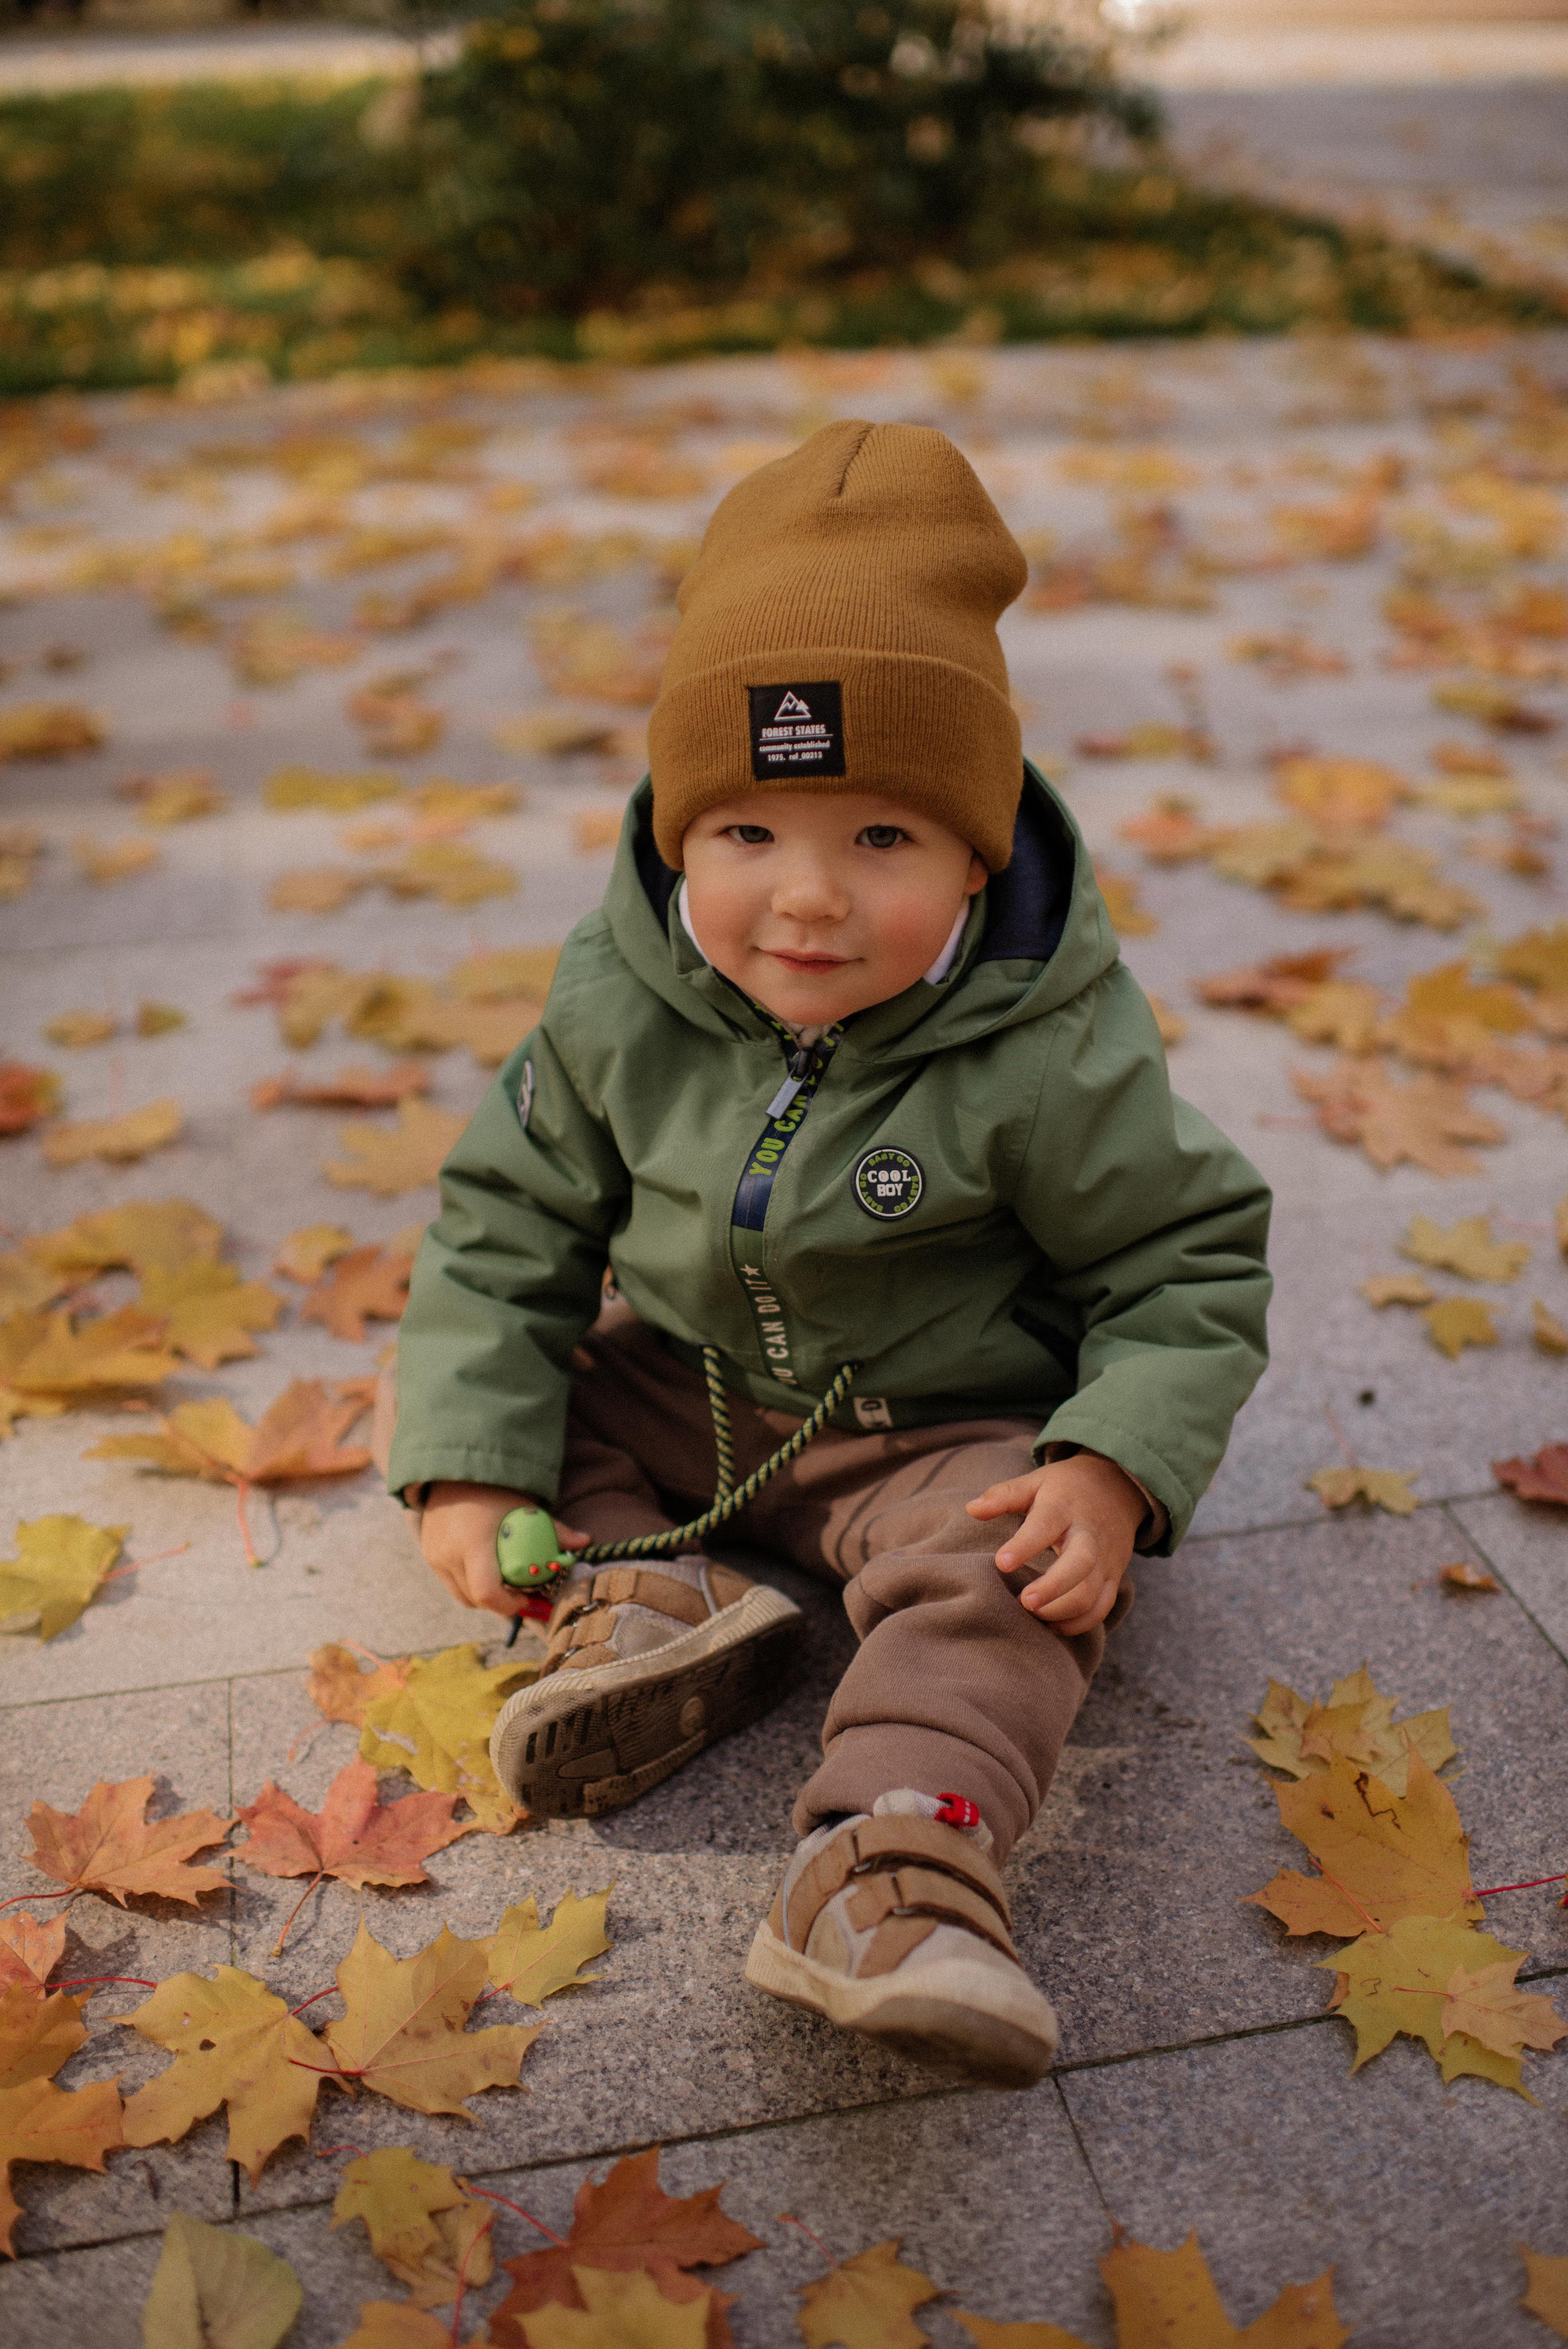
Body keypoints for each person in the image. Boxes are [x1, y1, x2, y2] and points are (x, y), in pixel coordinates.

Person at [385, 419, 1272, 2090]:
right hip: (696, 1389)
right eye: (748, 835)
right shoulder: (616, 1000)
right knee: (508, 1404)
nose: (805, 899)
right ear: (678, 834)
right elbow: (507, 1223)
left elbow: (1188, 1258)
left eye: (880, 840)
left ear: (975, 852)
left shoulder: (1048, 1049)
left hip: (940, 1426)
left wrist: (1112, 1462)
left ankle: (891, 1859)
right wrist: (465, 1461)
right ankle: (653, 1596)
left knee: (1008, 1581)